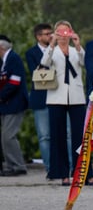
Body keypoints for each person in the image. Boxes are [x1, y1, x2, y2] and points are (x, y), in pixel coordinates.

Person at [40, 21, 86, 186]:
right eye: (60, 33)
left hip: (76, 96)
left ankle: (81, 173)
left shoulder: (75, 51)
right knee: (58, 136)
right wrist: (52, 44)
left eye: (66, 32)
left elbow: (83, 62)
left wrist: (78, 44)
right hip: (56, 96)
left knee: (79, 136)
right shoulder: (51, 51)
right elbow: (44, 64)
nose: (63, 36)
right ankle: (62, 173)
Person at [25, 24, 53, 176]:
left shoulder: (58, 51)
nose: (50, 36)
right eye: (46, 34)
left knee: (62, 134)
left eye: (51, 33)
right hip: (40, 98)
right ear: (38, 36)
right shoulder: (31, 53)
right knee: (44, 136)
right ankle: (49, 167)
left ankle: (65, 167)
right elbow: (37, 73)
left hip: (57, 96)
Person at [0, 35, 29, 176]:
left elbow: (14, 82)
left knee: (9, 135)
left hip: (14, 103)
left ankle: (18, 166)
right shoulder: (4, 61)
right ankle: (11, 166)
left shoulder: (13, 59)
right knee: (5, 136)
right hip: (6, 104)